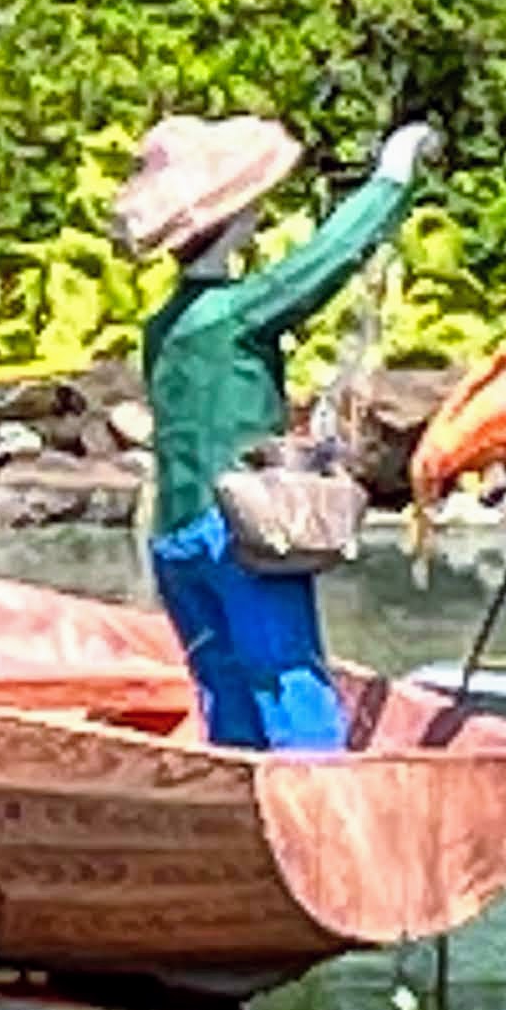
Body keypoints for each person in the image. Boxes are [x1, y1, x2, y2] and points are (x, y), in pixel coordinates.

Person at [118, 113, 439, 752]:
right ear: (233, 223)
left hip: (173, 537)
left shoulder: (164, 327)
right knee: (286, 676)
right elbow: (323, 262)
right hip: (238, 530)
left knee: (223, 687)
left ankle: (244, 792)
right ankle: (317, 795)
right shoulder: (231, 313)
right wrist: (392, 176)